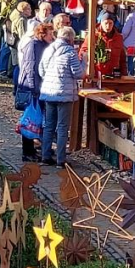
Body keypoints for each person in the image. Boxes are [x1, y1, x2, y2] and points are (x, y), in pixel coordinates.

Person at [37, 27, 84, 167]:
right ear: (70, 39)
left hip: (49, 92)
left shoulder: (49, 49)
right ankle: (60, 160)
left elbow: (41, 70)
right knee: (63, 127)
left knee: (49, 125)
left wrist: (50, 81)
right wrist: (84, 62)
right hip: (65, 94)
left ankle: (45, 157)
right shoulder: (71, 53)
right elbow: (78, 74)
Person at [16, 22, 55, 161]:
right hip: (31, 87)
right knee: (30, 119)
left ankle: (33, 149)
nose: (53, 36)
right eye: (51, 34)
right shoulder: (33, 45)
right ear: (42, 34)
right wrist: (33, 88)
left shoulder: (44, 45)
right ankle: (27, 152)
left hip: (38, 87)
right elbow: (30, 68)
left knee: (36, 119)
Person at [79, 12, 126, 77]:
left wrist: (124, 74)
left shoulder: (118, 38)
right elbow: (82, 54)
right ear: (101, 23)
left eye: (110, 23)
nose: (108, 26)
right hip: (96, 74)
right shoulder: (93, 36)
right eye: (106, 23)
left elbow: (122, 58)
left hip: (114, 75)